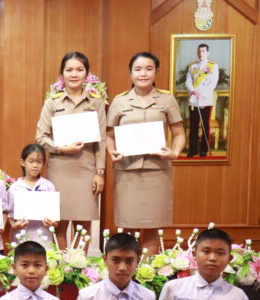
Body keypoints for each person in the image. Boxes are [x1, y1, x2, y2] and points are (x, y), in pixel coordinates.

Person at [106, 52, 186, 255]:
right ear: (130, 73)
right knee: (127, 227)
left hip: (157, 171)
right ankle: (127, 278)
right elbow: (108, 134)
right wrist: (111, 151)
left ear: (156, 72)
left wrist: (174, 152)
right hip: (127, 171)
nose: (143, 74)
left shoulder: (167, 100)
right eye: (138, 69)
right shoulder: (119, 101)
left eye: (149, 69)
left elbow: (179, 133)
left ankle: (148, 277)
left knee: (153, 226)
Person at [36, 52, 106, 248]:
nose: (74, 74)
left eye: (79, 69)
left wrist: (100, 172)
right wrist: (61, 149)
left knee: (83, 224)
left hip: (86, 169)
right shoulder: (53, 102)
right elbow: (40, 138)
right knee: (58, 223)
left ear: (87, 73)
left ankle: (79, 269)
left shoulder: (96, 102)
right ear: (62, 74)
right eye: (69, 70)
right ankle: (61, 269)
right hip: (59, 169)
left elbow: (101, 141)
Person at [7, 144, 58, 249]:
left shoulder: (48, 186)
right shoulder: (15, 187)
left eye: (39, 162)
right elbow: (10, 216)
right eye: (31, 161)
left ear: (44, 164)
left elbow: (55, 221)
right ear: (22, 162)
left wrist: (52, 223)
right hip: (21, 236)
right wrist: (14, 225)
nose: (35, 165)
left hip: (44, 237)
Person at [185, 43, 219, 158]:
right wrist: (193, 91)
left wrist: (202, 94)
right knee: (193, 126)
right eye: (199, 51)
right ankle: (192, 150)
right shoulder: (192, 67)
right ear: (197, 52)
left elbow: (213, 83)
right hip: (194, 100)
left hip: (206, 100)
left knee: (205, 125)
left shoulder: (213, 66)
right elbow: (188, 81)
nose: (201, 53)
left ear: (207, 52)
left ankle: (203, 150)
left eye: (203, 51)